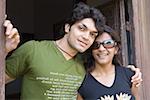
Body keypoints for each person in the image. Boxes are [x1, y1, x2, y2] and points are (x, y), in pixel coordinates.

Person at [4, 2, 142, 100]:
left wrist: (132, 72)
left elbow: (108, 68)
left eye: (92, 34)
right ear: (67, 28)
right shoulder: (33, 50)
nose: (86, 37)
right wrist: (3, 51)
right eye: (82, 28)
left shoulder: (85, 62)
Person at [77, 25, 140, 100]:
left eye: (108, 43)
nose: (101, 49)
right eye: (96, 45)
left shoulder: (130, 75)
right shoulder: (83, 81)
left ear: (116, 49)